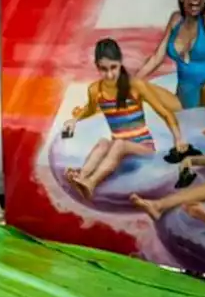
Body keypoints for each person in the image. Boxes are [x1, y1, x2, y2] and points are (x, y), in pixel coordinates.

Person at [62, 38, 187, 199]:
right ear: (97, 67)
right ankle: (82, 177)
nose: (109, 74)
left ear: (120, 63)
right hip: (117, 147)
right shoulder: (95, 90)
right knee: (102, 143)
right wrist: (74, 120)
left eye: (113, 67)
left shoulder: (134, 86)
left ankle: (91, 183)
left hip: (143, 147)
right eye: (103, 69)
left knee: (118, 144)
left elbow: (165, 113)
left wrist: (178, 139)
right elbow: (90, 109)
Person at [135, 0, 205, 136]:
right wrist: (130, 83)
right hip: (181, 102)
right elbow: (157, 57)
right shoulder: (175, 19)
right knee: (139, 86)